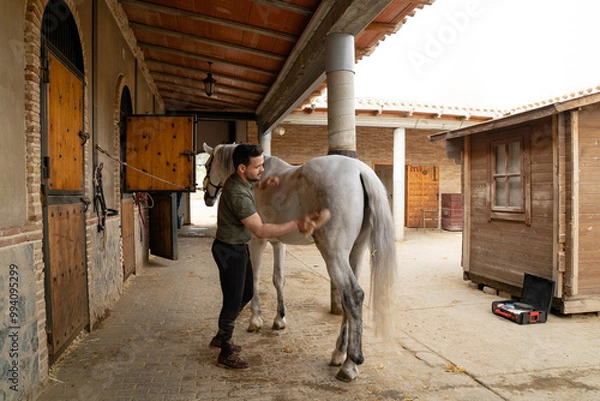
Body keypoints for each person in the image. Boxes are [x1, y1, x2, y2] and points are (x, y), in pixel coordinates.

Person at [209, 143, 317, 371]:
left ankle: (222, 334)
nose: (262, 170)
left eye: (263, 165)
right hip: (229, 250)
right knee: (232, 301)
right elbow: (261, 231)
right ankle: (225, 350)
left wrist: (266, 183)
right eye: (257, 167)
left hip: (236, 247)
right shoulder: (237, 193)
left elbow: (252, 189)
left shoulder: (241, 182)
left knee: (247, 292)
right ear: (241, 168)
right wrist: (296, 223)